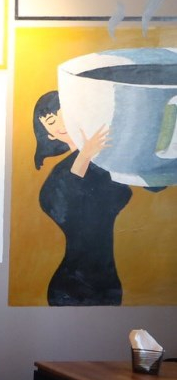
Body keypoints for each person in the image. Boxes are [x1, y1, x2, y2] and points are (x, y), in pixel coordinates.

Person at [32, 89, 128, 305]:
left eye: (65, 112)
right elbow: (66, 203)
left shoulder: (106, 163)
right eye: (52, 120)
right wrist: (85, 154)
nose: (62, 121)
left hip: (108, 282)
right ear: (49, 134)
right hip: (69, 284)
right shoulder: (60, 175)